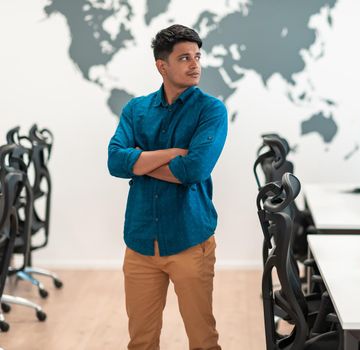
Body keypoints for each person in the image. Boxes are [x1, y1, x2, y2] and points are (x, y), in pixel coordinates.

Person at [107, 24, 227, 350]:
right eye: (184, 57)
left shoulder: (211, 110)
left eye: (197, 56)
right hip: (141, 242)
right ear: (163, 66)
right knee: (141, 342)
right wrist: (172, 155)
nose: (195, 65)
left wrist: (141, 162)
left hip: (190, 239)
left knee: (203, 340)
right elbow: (115, 162)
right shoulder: (136, 109)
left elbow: (194, 169)